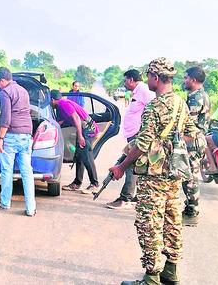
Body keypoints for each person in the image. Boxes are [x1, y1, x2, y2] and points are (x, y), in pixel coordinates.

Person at [109, 58, 199, 285]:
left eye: (148, 76)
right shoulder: (181, 103)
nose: (146, 80)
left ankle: (151, 279)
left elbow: (143, 144)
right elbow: (190, 133)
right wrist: (170, 143)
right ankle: (171, 273)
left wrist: (121, 166)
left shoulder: (154, 107)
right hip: (173, 175)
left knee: (150, 225)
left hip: (154, 177)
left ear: (155, 78)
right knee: (172, 220)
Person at [107, 70, 155, 210]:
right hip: (134, 134)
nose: (124, 83)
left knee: (129, 165)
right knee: (136, 166)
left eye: (125, 80)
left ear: (132, 80)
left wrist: (144, 131)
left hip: (139, 136)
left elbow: (154, 108)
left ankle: (125, 198)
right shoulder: (136, 92)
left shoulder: (144, 90)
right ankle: (135, 197)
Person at [0, 67, 36, 216]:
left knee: (7, 170)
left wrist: (0, 138)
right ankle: (31, 208)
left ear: (3, 80)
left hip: (11, 136)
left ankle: (5, 203)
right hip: (26, 135)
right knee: (27, 172)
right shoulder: (23, 90)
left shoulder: (5, 92)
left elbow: (6, 118)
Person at [52, 90, 100, 194]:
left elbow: (76, 118)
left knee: (87, 157)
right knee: (79, 156)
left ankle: (95, 184)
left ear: (52, 100)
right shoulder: (60, 107)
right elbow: (59, 122)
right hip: (84, 131)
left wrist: (80, 136)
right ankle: (77, 183)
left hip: (87, 131)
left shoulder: (64, 104)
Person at [181, 66, 211, 226]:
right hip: (196, 140)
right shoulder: (201, 95)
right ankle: (189, 209)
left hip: (192, 141)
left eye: (186, 78)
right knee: (188, 176)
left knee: (191, 177)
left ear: (193, 80)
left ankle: (192, 212)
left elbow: (188, 124)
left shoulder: (195, 98)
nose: (184, 81)